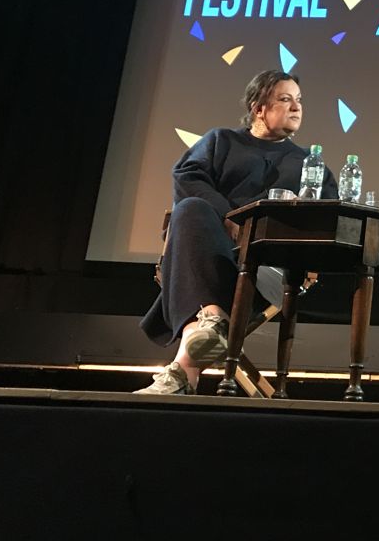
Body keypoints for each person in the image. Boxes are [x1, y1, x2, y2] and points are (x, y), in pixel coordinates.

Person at [135, 69, 337, 394]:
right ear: (259, 108)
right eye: (285, 99)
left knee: (202, 294)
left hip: (268, 265)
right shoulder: (221, 141)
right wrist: (229, 217)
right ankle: (206, 331)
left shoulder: (310, 165)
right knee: (190, 208)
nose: (296, 107)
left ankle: (191, 357)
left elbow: (327, 217)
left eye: (299, 100)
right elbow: (187, 177)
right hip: (211, 255)